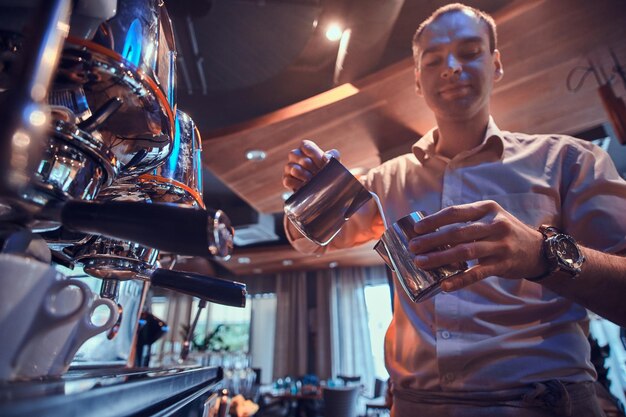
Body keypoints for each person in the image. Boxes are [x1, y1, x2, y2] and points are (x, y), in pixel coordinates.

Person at [282, 3, 626, 417]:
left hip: (544, 404)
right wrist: (309, 198)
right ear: (417, 78)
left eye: (468, 52)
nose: (450, 67)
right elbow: (309, 242)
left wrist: (539, 255)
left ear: (496, 63)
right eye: (433, 59)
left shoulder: (570, 161)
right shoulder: (385, 181)